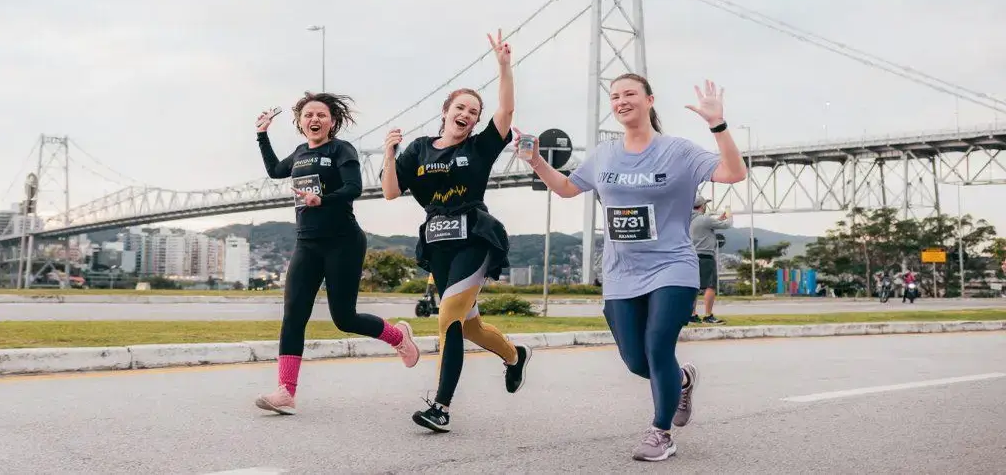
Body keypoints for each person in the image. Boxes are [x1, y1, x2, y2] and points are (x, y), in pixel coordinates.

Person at [519, 74, 747, 461]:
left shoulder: (678, 151)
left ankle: (660, 433)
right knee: (636, 360)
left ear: (649, 100)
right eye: (615, 96)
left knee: (658, 345)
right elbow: (566, 188)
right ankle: (683, 380)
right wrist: (536, 160)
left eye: (630, 94)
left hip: (672, 265)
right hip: (621, 271)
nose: (621, 101)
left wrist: (717, 125)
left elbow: (734, 173)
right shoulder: (605, 154)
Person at [380, 29, 532, 433]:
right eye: (461, 107)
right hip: (438, 243)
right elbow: (392, 191)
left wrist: (503, 66)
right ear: (446, 110)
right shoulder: (418, 150)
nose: (466, 115)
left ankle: (441, 407)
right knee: (469, 325)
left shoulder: (479, 148)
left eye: (474, 112)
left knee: (447, 314)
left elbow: (507, 113)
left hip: (475, 238)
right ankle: (515, 355)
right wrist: (389, 153)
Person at [253, 92, 420, 415]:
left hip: (343, 242)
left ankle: (398, 336)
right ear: (300, 122)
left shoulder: (341, 149)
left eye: (321, 115)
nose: (314, 119)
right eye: (308, 115)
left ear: (332, 121)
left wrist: (323, 200)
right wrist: (262, 134)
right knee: (293, 317)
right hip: (307, 243)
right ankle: (285, 392)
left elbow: (353, 188)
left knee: (344, 318)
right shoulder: (300, 153)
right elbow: (275, 170)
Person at [688, 195, 731, 324]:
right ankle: (708, 315)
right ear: (702, 206)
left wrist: (718, 219)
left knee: (694, 287)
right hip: (706, 256)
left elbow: (704, 226)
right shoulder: (704, 219)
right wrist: (729, 215)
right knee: (710, 286)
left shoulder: (688, 219)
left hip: (691, 256)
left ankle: (692, 315)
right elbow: (727, 225)